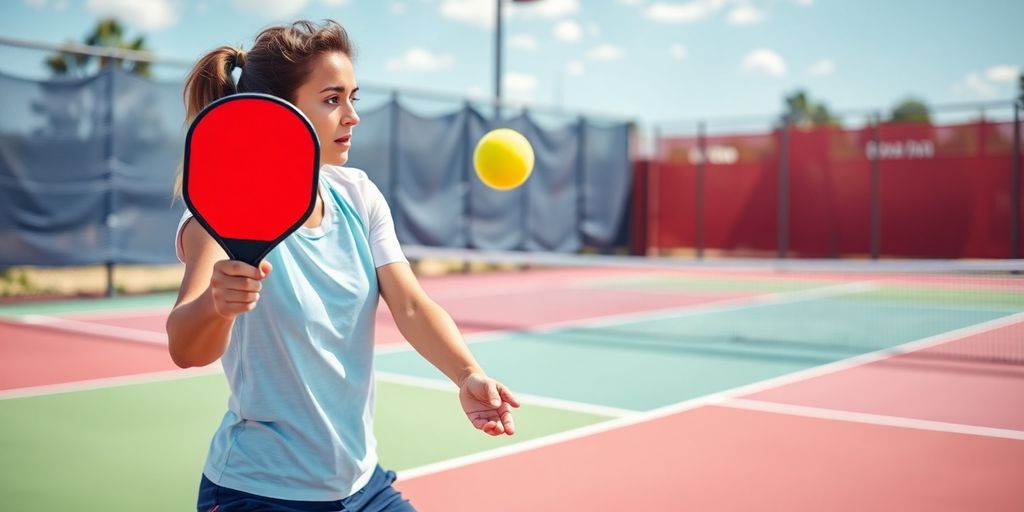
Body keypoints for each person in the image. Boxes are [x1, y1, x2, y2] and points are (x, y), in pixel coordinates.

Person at [166, 19, 520, 512]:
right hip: (261, 492)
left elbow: (413, 307)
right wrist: (216, 306)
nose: (352, 115)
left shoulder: (358, 194)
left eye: (353, 96)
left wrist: (466, 374)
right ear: (280, 114)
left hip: (363, 484)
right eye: (332, 99)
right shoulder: (220, 212)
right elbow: (185, 347)